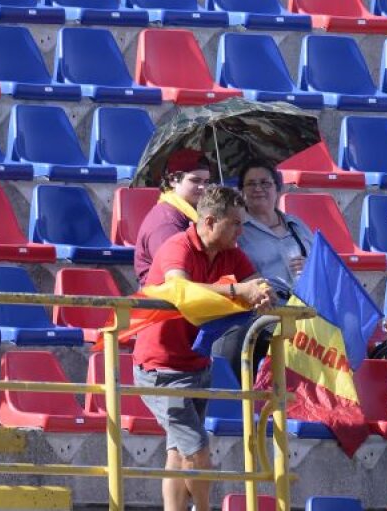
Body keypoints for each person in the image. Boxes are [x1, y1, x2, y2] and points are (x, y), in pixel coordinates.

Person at [134, 186, 275, 511]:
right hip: (162, 369)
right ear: (210, 221)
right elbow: (181, 290)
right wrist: (239, 289)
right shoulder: (176, 247)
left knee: (178, 451)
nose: (242, 231)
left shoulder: (230, 251)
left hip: (197, 364)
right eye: (236, 224)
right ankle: (204, 508)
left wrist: (264, 292)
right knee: (197, 447)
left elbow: (256, 280)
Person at [135, 149, 212, 285]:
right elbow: (174, 277)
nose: (203, 187)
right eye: (195, 180)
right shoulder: (167, 222)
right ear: (172, 180)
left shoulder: (191, 212)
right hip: (162, 301)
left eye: (206, 181)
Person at [236, 161, 312, 299]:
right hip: (268, 309)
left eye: (265, 183)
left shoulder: (297, 224)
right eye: (251, 184)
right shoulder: (237, 230)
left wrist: (311, 267)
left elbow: (322, 264)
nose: (258, 189)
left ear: (278, 189)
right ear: (241, 192)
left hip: (309, 302)